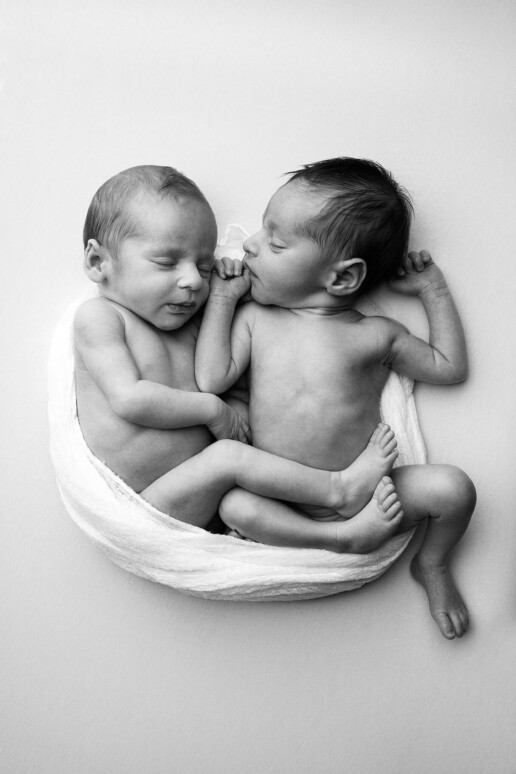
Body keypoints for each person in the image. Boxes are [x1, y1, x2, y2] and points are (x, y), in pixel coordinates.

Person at [195, 157, 476, 639]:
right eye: (263, 231)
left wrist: (433, 290)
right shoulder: (254, 320)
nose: (250, 245)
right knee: (236, 507)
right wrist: (222, 300)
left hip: (373, 494)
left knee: (455, 489)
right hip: (279, 496)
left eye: (276, 242)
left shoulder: (375, 335)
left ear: (343, 278)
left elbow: (449, 368)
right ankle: (337, 538)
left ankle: (432, 565)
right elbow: (211, 378)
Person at [73, 164, 403, 551]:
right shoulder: (100, 319)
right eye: (166, 263)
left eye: (204, 264)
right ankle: (337, 490)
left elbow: (230, 361)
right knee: (229, 454)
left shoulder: (187, 317)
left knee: (247, 433)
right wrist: (214, 411)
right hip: (147, 505)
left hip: (208, 494)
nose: (193, 280)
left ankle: (312, 527)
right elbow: (130, 399)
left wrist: (225, 292)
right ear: (98, 263)